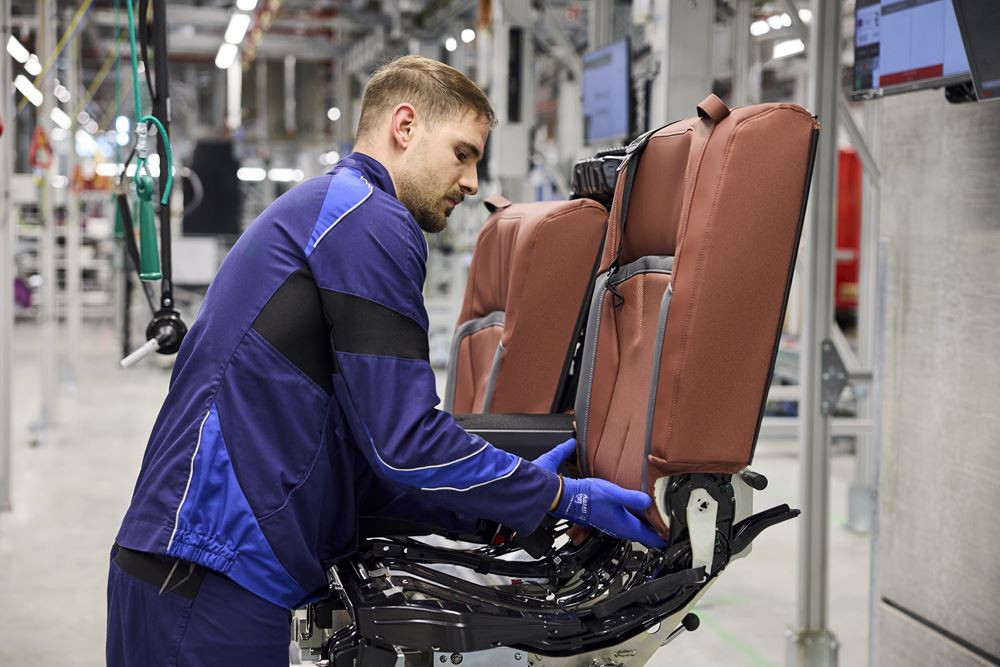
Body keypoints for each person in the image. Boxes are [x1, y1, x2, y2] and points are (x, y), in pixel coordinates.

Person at [106, 55, 665, 666]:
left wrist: (504, 512)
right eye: (463, 153)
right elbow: (405, 441)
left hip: (198, 570)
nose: (473, 181)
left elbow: (364, 460)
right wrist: (562, 497)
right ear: (405, 127)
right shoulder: (368, 219)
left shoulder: (336, 209)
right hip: (207, 572)